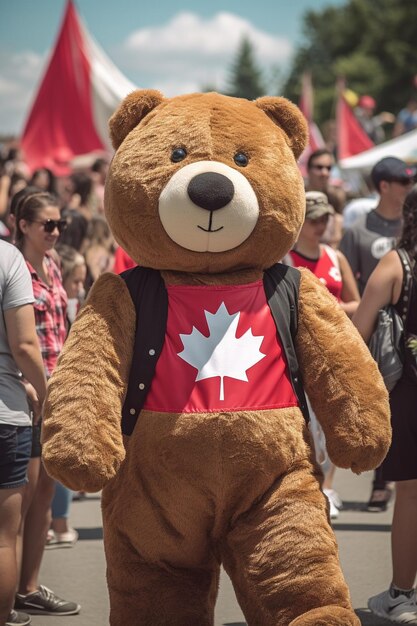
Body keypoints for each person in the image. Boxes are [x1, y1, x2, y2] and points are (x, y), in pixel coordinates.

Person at [13, 192, 80, 616]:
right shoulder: (14, 269)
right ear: (23, 226)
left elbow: (61, 328)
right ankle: (11, 589)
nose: (55, 232)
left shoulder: (52, 267)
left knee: (44, 493)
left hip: (55, 388)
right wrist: (27, 382)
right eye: (47, 225)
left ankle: (29, 586)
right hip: (29, 391)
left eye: (60, 225)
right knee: (20, 498)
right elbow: (17, 341)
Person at [352, 186, 417, 624]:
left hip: (409, 393)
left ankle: (401, 595)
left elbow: (359, 331)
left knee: (410, 493)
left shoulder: (398, 263)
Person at [340, 156, 417, 512]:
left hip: (403, 355)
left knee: (409, 490)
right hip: (392, 349)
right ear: (385, 186)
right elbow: (346, 286)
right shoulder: (359, 231)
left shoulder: (401, 249)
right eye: (402, 182)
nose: (406, 187)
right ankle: (379, 482)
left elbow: (361, 319)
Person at [285, 191, 360, 519]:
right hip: (297, 352)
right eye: (314, 219)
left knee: (330, 419)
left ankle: (327, 485)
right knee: (306, 421)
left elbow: (358, 302)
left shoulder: (334, 256)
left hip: (332, 350)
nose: (320, 225)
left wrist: (333, 308)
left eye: (325, 219)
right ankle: (311, 484)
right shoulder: (285, 259)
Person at [0, 240, 47, 626]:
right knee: (3, 537)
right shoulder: (7, 257)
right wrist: (47, 393)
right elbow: (24, 344)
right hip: (4, 411)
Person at [305, 148, 346, 248]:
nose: (324, 173)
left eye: (328, 168)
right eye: (319, 167)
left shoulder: (336, 196)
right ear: (308, 170)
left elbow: (338, 234)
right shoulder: (298, 195)